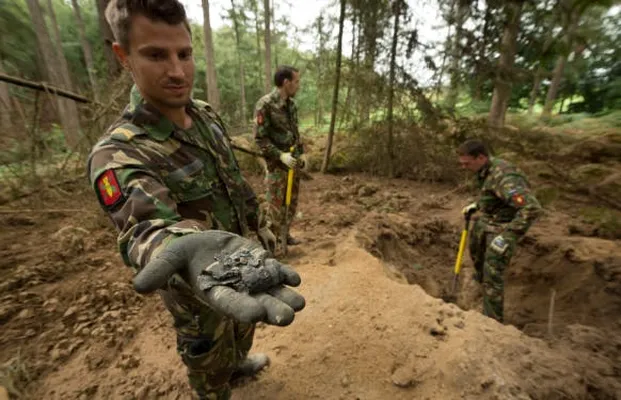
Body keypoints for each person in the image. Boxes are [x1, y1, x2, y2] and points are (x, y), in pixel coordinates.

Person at [87, 1, 305, 399]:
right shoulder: (118, 153)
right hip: (198, 291)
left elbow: (234, 183)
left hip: (241, 268)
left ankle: (238, 363)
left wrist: (262, 228)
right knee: (207, 361)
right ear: (123, 56)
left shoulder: (205, 116)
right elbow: (144, 229)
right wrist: (178, 248)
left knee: (243, 326)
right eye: (156, 55)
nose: (176, 71)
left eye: (184, 54)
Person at [458, 139, 542, 323]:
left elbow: (531, 208)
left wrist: (508, 236)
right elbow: (493, 195)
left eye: (467, 163)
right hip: (486, 222)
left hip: (501, 229)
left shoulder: (505, 177)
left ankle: (492, 323)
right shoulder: (484, 170)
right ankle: (480, 295)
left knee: (492, 276)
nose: (464, 167)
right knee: (478, 260)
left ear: (480, 157)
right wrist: (478, 205)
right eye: (461, 163)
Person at [253, 66, 307, 248]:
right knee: (275, 206)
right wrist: (280, 155)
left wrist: (302, 152)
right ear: (286, 82)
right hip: (277, 165)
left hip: (293, 163)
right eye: (296, 81)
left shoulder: (292, 105)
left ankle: (285, 235)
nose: (298, 86)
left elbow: (294, 132)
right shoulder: (265, 105)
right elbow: (260, 139)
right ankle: (271, 242)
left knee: (291, 203)